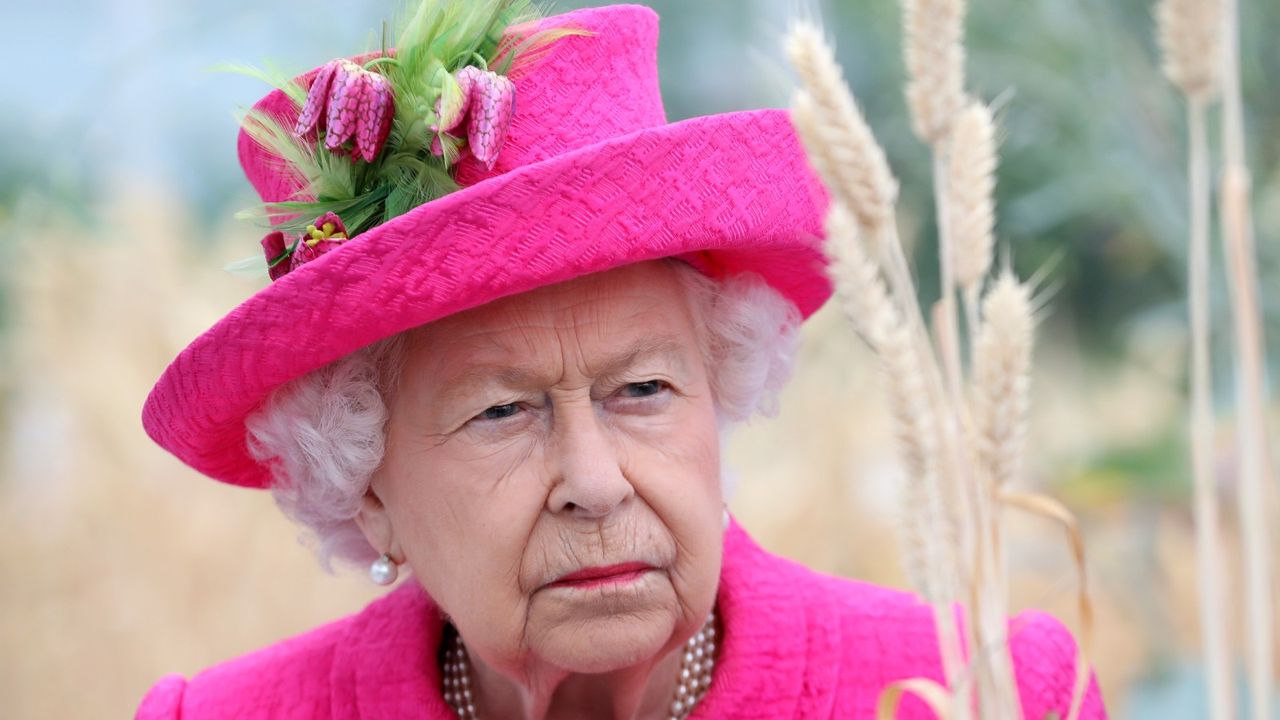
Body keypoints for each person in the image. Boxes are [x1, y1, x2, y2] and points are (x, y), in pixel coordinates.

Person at [136, 2, 1106, 718]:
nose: (593, 486)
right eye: (500, 413)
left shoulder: (982, 695)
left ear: (718, 390)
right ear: (364, 485)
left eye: (643, 389)